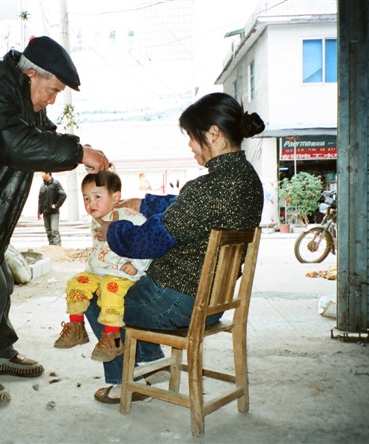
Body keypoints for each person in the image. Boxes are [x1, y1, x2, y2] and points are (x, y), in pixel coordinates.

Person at [0, 35, 110, 405]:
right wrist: (78, 153)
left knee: (1, 281)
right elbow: (14, 143)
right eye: (53, 90)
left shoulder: (20, 96)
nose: (52, 99)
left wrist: (80, 151)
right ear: (31, 74)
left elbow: (43, 137)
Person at [85, 92, 265, 404]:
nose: (190, 145)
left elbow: (149, 242)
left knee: (95, 293)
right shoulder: (247, 181)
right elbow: (186, 208)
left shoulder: (207, 188)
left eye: (192, 138)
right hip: (212, 303)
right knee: (129, 286)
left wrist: (112, 230)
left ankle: (125, 381)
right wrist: (145, 202)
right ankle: (151, 367)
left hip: (177, 304)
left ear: (213, 134)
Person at [53, 171, 151, 362]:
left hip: (122, 273)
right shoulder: (95, 220)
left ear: (115, 197)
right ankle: (76, 327)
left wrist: (138, 265)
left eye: (97, 197)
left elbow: (148, 241)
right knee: (75, 283)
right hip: (98, 271)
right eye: (86, 198)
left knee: (109, 291)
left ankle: (112, 336)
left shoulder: (131, 216)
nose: (91, 203)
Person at [38, 172, 67, 246]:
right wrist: (39, 211)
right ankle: (51, 247)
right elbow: (40, 199)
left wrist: (56, 205)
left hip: (54, 212)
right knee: (48, 231)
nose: (41, 175)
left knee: (54, 230)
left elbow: (63, 195)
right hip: (45, 212)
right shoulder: (42, 186)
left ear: (48, 173)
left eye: (42, 173)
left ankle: (58, 248)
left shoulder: (56, 184)